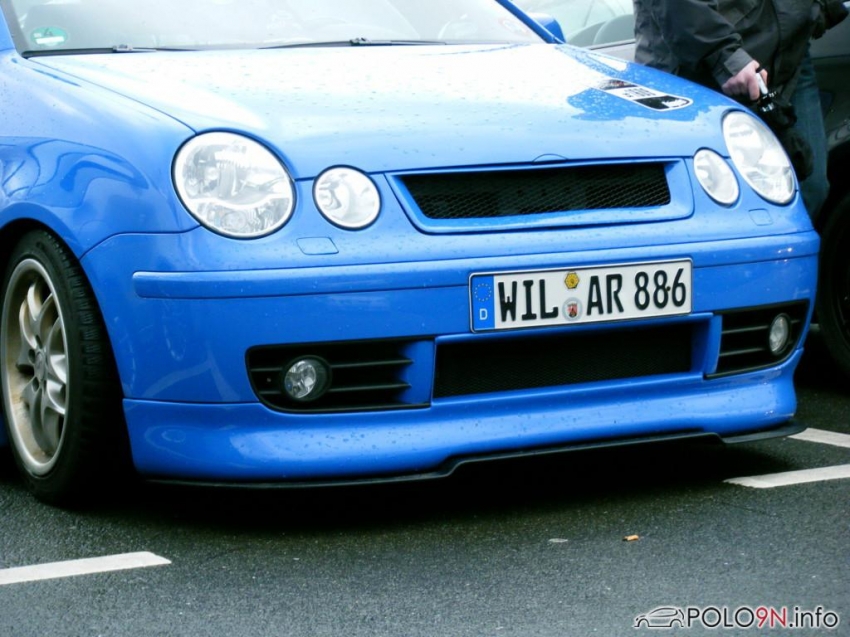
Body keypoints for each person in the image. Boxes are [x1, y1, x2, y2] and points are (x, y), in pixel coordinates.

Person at [632, 0, 848, 220]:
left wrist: (821, 8)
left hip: (787, 59)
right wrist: (725, 56)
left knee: (808, 190)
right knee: (721, 206)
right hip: (704, 71)